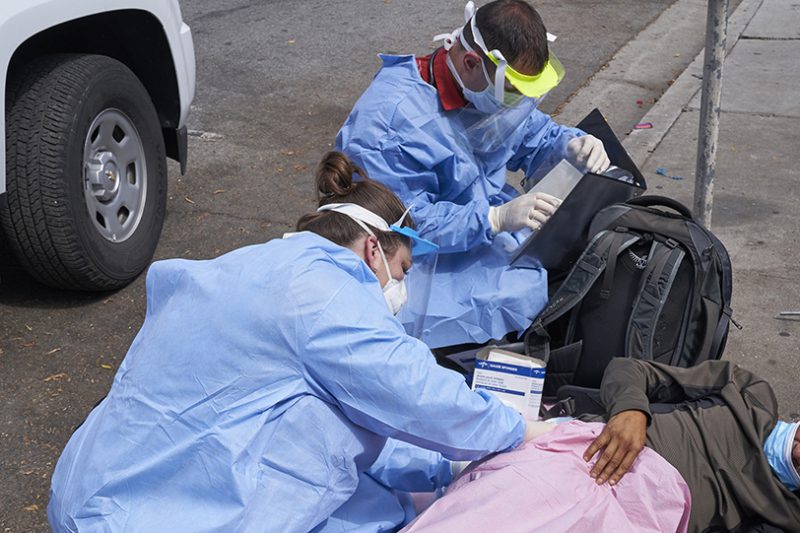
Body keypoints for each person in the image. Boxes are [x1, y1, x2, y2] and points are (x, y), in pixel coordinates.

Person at [47, 152, 539, 533]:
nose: (402, 294)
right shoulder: (324, 293)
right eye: (403, 271)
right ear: (373, 248)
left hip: (90, 488)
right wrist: (515, 429)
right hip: (150, 515)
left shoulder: (252, 265)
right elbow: (413, 390)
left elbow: (341, 429)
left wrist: (438, 465)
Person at [336, 0, 611, 349]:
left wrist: (570, 145)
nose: (517, 102)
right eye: (513, 90)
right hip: (417, 256)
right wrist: (492, 218)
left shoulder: (485, 90)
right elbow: (398, 225)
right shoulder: (390, 122)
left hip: (480, 232)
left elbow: (531, 134)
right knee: (512, 295)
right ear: (471, 62)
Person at [406, 359, 800, 532]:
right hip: (588, 459)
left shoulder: (786, 510)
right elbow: (631, 368)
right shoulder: (751, 395)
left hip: (643, 515)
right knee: (494, 512)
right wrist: (631, 410)